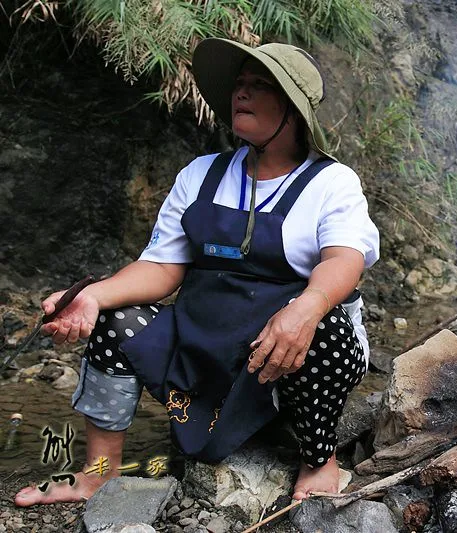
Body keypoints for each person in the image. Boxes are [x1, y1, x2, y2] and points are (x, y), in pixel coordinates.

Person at [14, 38, 379, 506]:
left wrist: (307, 306)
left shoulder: (332, 182)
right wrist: (96, 296)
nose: (240, 94)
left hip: (279, 357)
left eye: (258, 86)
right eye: (239, 85)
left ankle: (319, 460)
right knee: (115, 319)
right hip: (203, 347)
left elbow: (344, 261)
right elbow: (163, 268)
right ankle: (99, 475)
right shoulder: (202, 174)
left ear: (292, 108)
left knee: (323, 322)